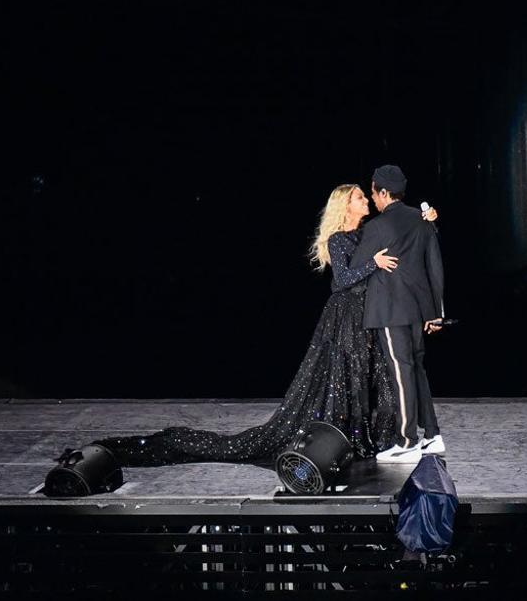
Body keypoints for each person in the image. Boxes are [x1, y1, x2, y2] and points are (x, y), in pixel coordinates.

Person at [87, 184, 437, 467]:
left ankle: (391, 438)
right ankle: (347, 437)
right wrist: (372, 264)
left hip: (374, 314)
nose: (366, 200)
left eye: (366, 194)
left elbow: (405, 241)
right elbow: (340, 281)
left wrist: (426, 218)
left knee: (377, 378)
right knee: (345, 377)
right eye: (359, 197)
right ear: (345, 206)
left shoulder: (370, 232)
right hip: (346, 317)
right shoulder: (339, 240)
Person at [349, 165, 445, 464]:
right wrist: (436, 312)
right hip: (418, 308)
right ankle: (432, 435)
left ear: (384, 192)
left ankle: (407, 441)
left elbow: (353, 271)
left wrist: (371, 260)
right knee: (416, 370)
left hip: (391, 309)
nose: (374, 199)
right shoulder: (421, 219)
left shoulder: (378, 227)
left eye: (374, 193)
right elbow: (435, 266)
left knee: (402, 373)